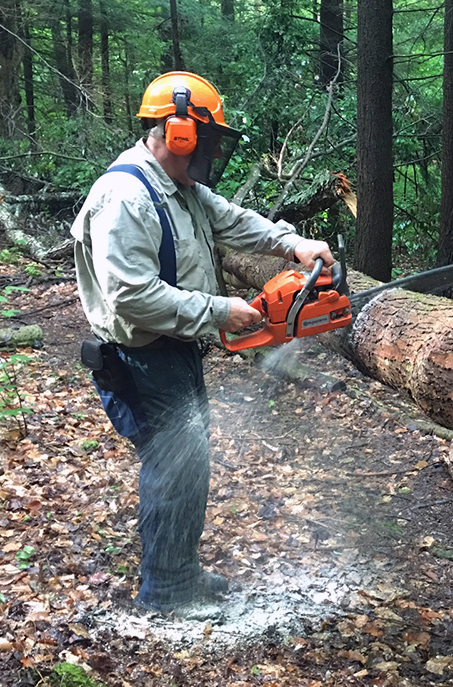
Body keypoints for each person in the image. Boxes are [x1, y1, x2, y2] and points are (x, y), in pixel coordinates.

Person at [71, 71, 333, 617]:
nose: (212, 150)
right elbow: (132, 297)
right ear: (180, 132)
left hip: (173, 349)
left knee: (189, 461)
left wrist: (293, 244)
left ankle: (180, 572)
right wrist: (220, 312)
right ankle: (166, 591)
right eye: (208, 139)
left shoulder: (180, 189)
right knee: (174, 464)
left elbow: (232, 220)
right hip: (141, 357)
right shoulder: (125, 198)